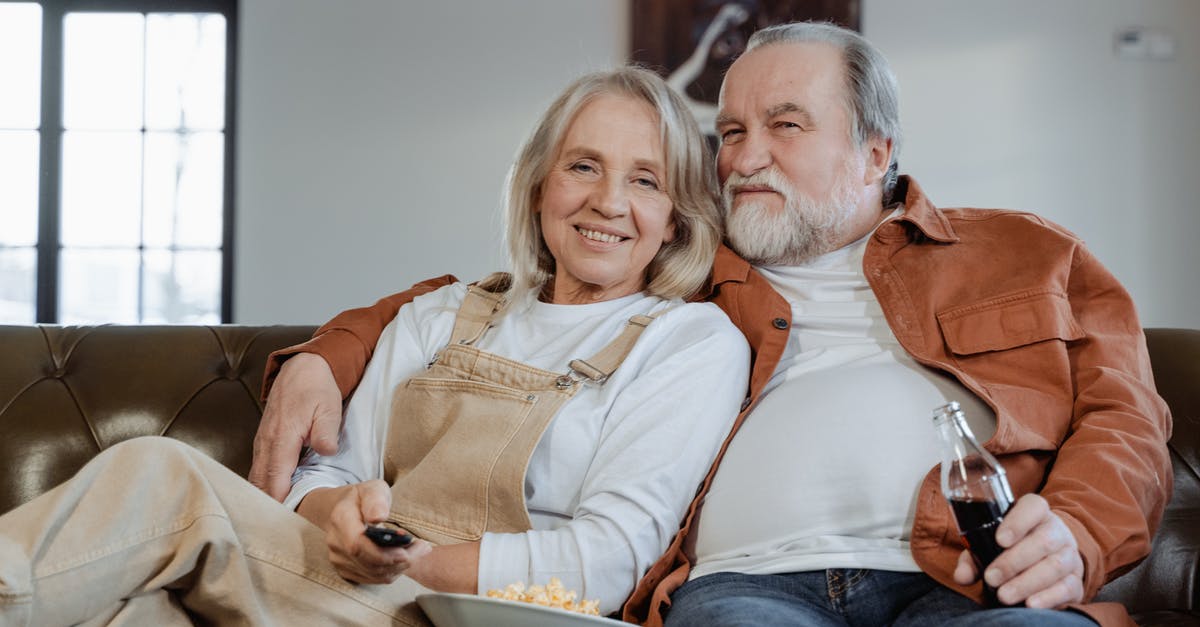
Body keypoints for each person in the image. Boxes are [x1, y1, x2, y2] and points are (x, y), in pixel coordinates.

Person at [249, 22, 1173, 627]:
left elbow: (1127, 418)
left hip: (964, 586)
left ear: (875, 151)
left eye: (784, 125)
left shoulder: (1026, 252)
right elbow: (502, 294)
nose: (746, 157)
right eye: (730, 132)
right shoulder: (686, 268)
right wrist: (326, 356)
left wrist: (1080, 536)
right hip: (747, 589)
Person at [0, 67, 751, 626]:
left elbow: (603, 563)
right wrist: (341, 520)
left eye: (645, 180)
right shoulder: (442, 314)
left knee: (162, 474)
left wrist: (415, 563)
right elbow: (319, 475)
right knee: (136, 614)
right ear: (538, 188)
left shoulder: (688, 344)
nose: (608, 201)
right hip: (346, 589)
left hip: (486, 617)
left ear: (676, 219)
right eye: (583, 165)